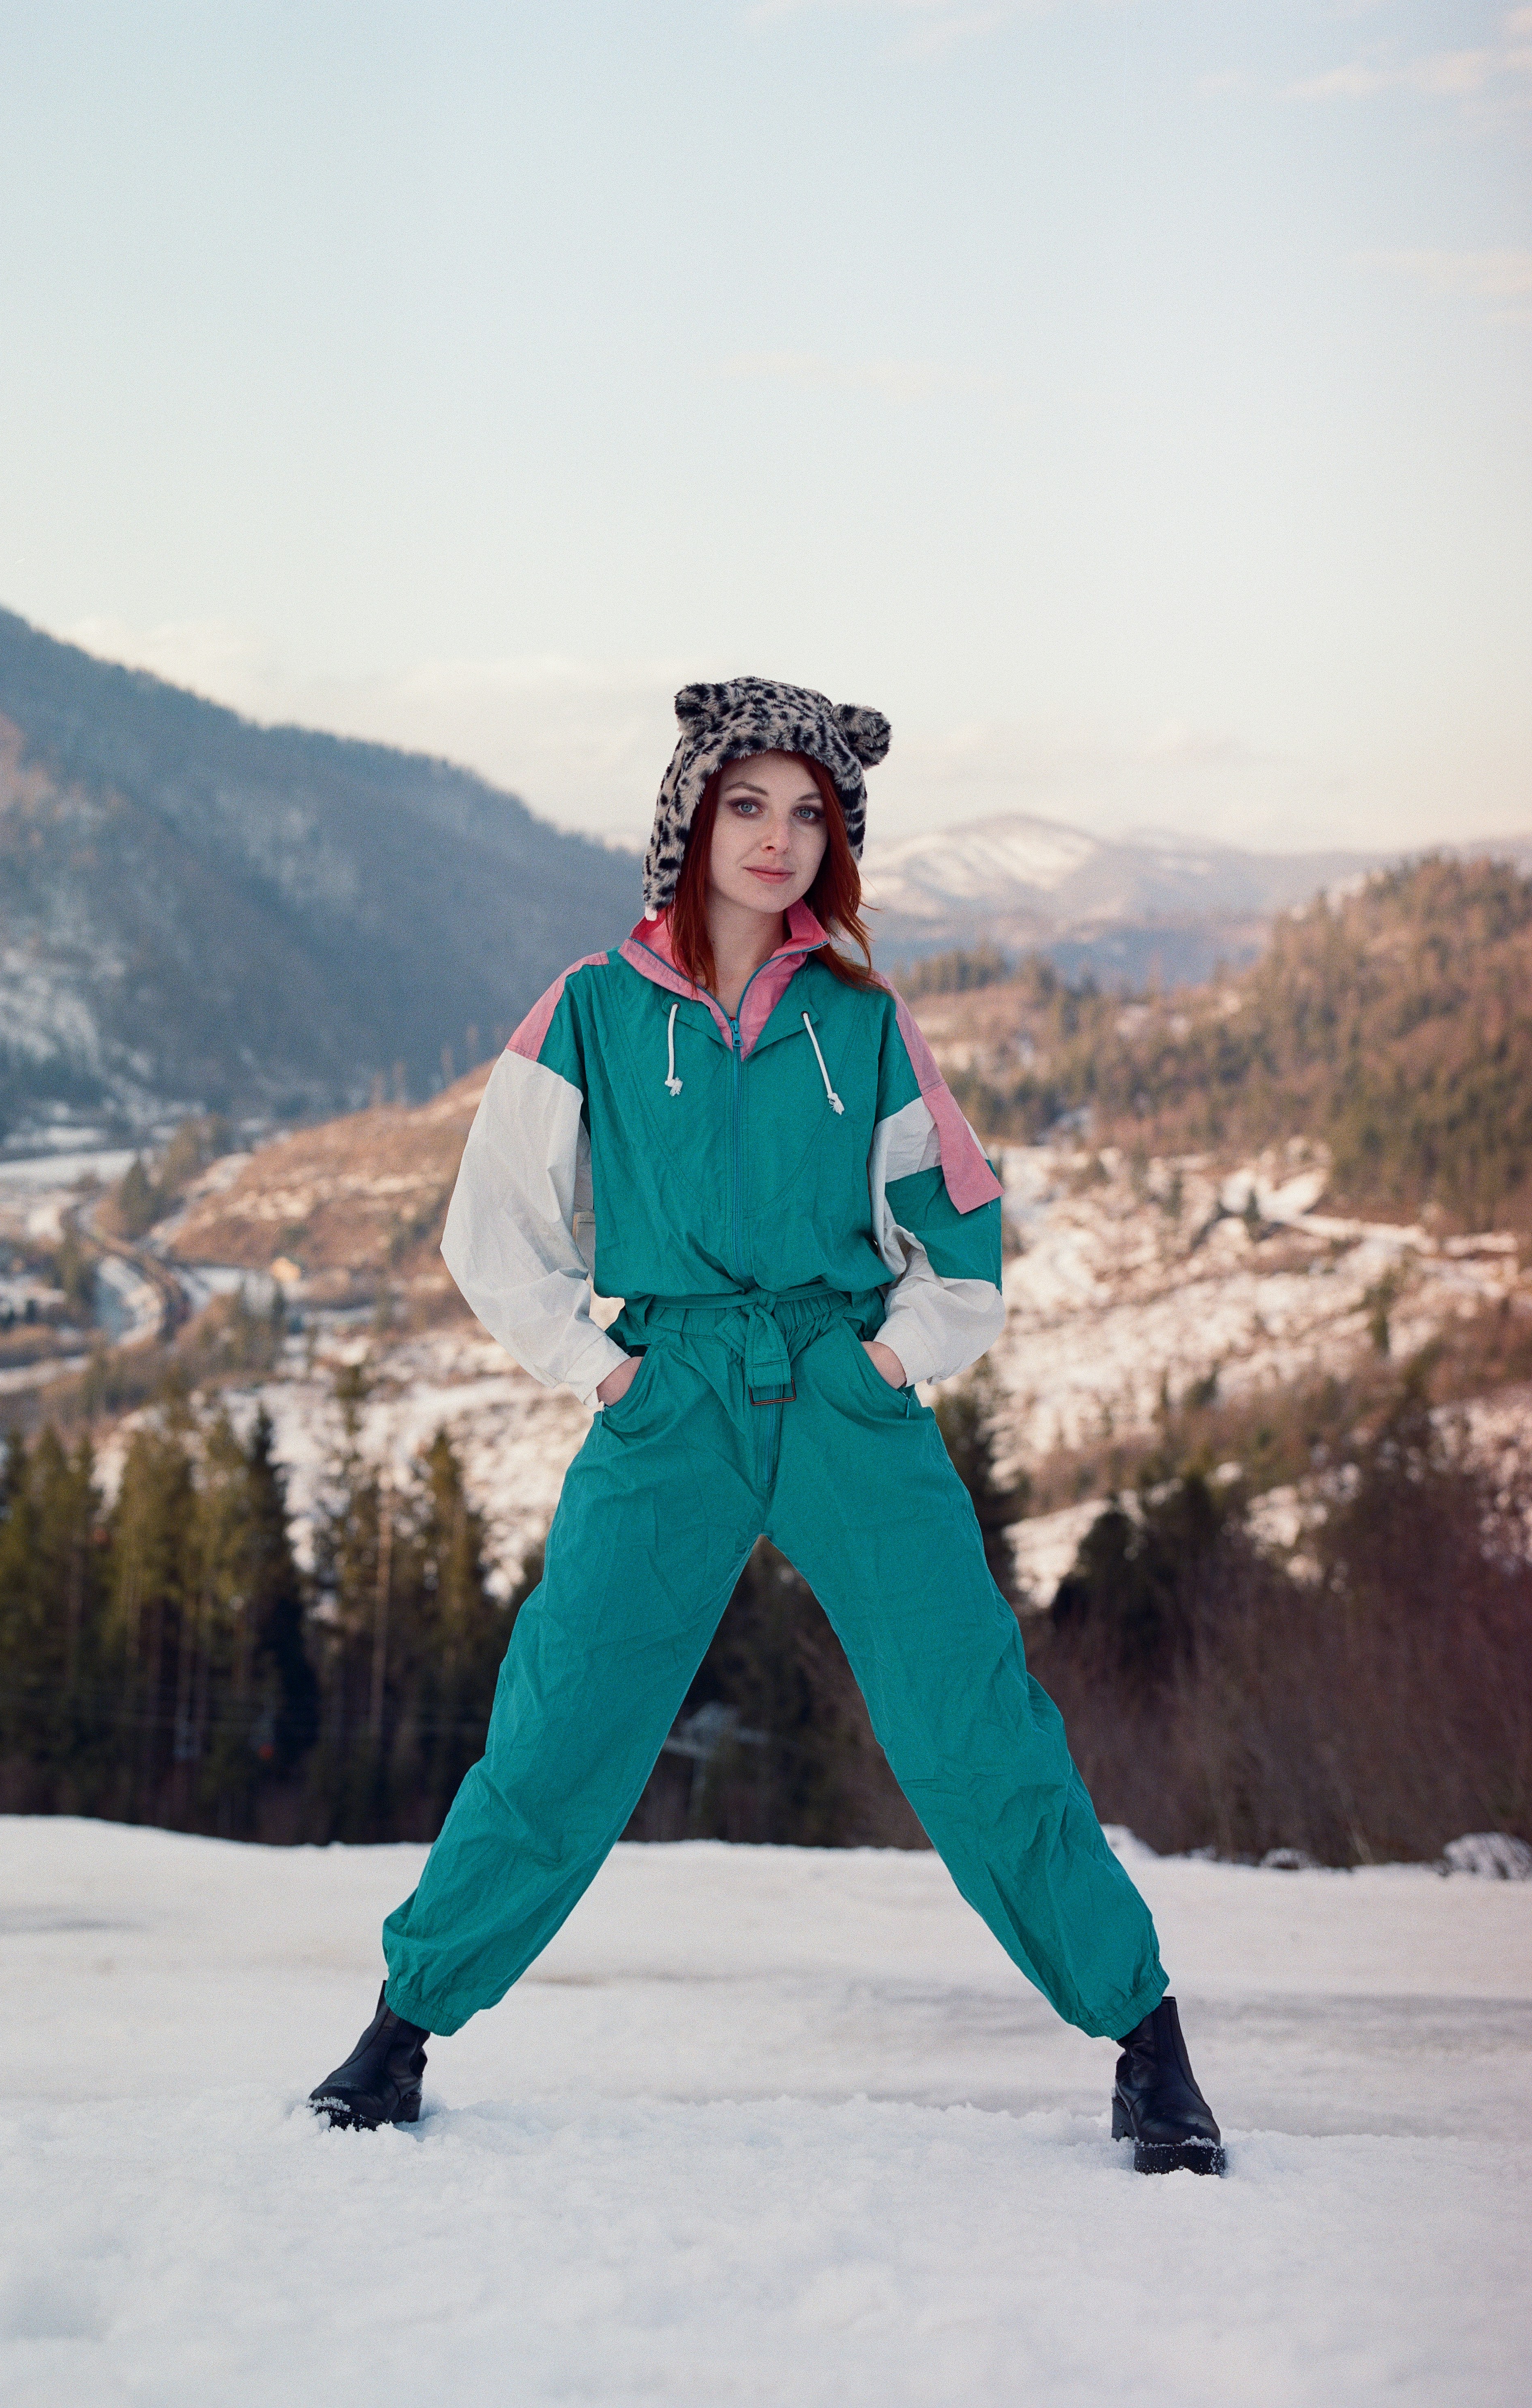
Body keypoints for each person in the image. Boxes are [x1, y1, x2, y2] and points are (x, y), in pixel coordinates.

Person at [309, 676, 1224, 2177]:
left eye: (811, 816)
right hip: (667, 1395)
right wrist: (605, 1370)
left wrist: (882, 1365)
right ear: (691, 816)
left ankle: (1149, 2041)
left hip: (838, 1393)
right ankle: (403, 2028)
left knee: (967, 1716)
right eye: (751, 806)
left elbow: (967, 1238)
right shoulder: (592, 1010)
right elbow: (495, 1230)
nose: (779, 840)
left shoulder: (863, 1026)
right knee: (565, 1721)